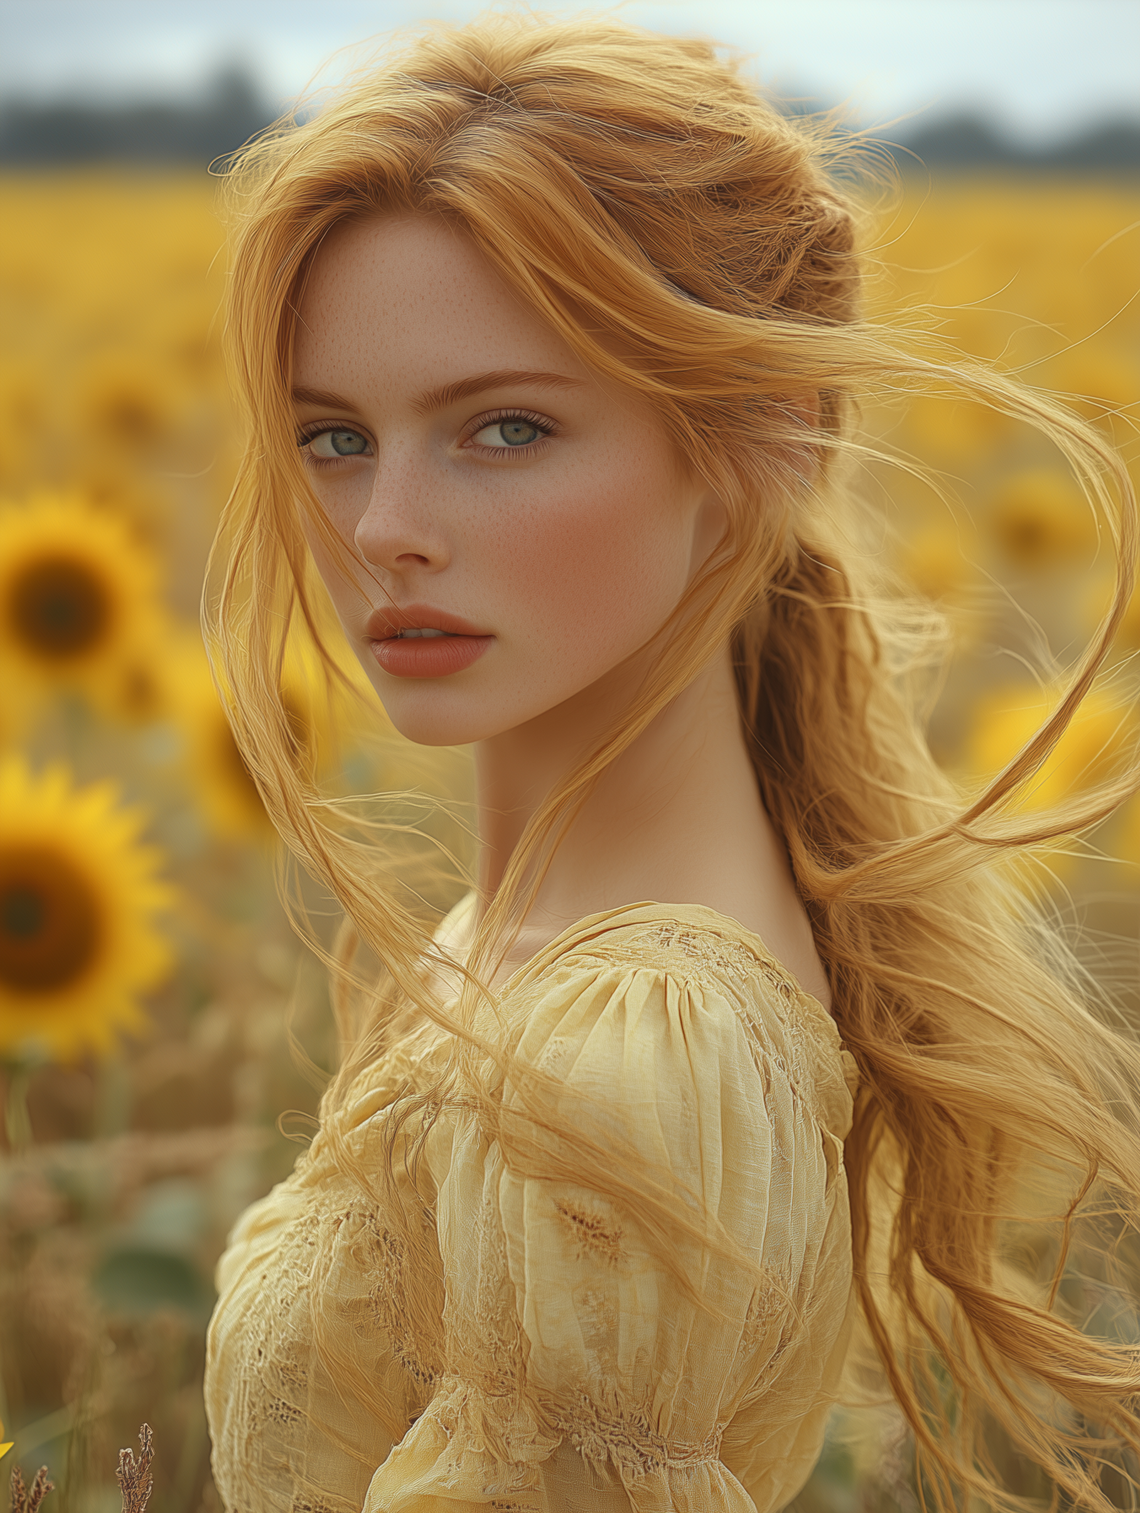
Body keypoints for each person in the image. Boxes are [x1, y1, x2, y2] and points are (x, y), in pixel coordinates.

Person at [202, 15, 1140, 1512]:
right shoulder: (545, 948)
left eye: (503, 427)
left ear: (764, 434)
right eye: (333, 437)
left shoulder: (632, 1063)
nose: (383, 525)